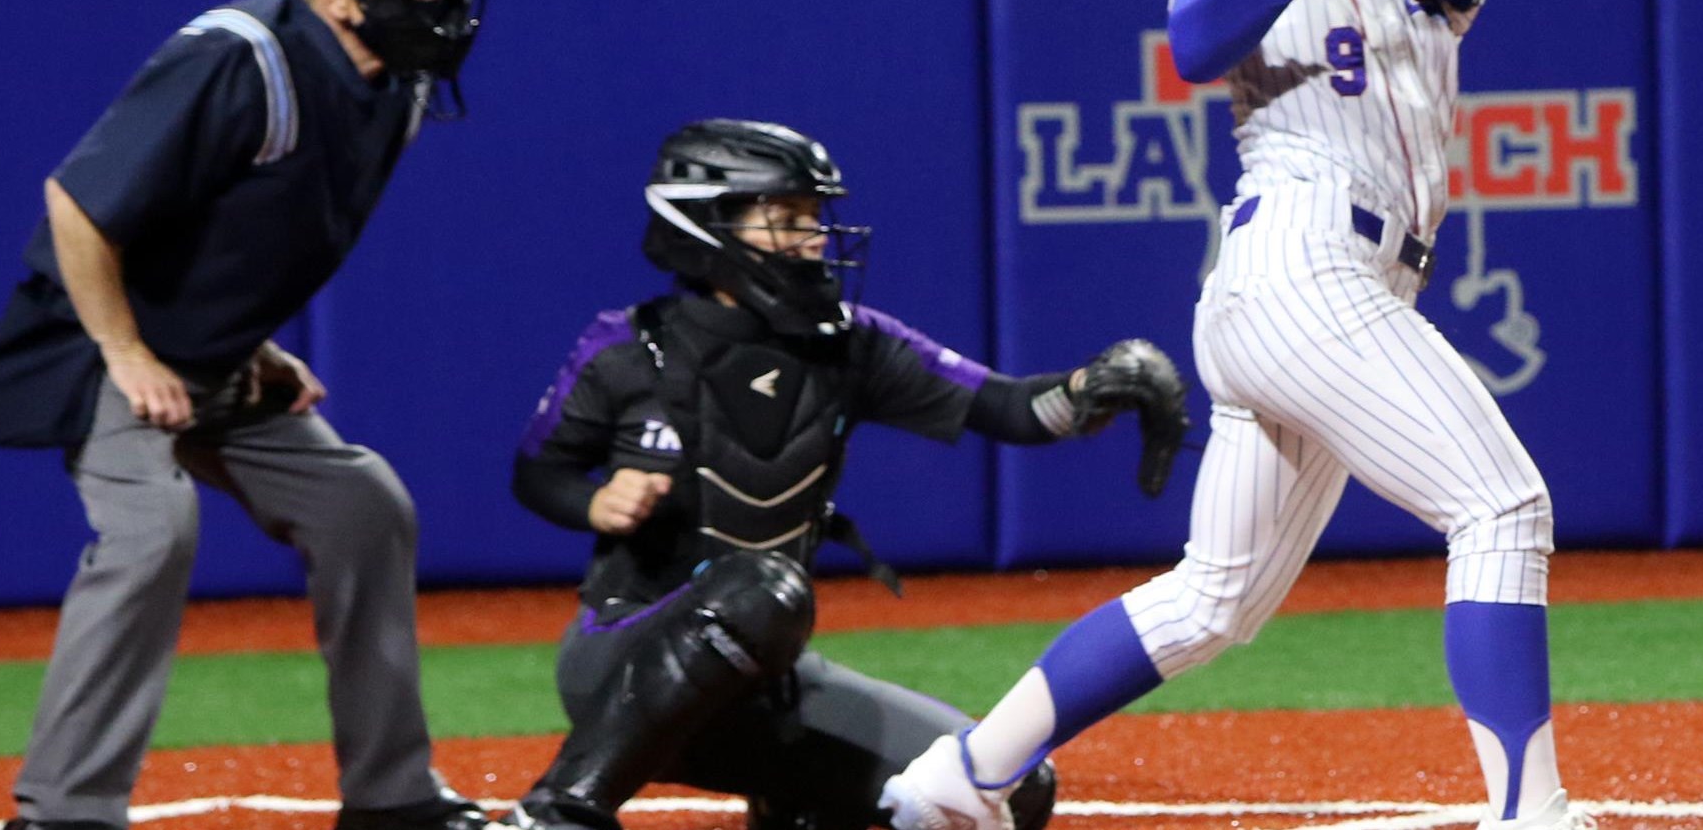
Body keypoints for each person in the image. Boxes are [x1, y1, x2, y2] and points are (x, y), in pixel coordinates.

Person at [878, 0, 1596, 830]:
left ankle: (962, 777)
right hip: (1298, 270)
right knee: (1500, 506)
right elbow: (1197, 49)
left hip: (1342, 290)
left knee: (1210, 601)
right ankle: (1530, 812)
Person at [0, 0, 494, 830]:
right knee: (151, 532)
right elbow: (76, 204)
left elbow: (262, 231)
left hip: (215, 360)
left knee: (363, 506)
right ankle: (64, 811)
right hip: (100, 348)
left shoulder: (400, 89)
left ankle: (393, 796)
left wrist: (253, 343)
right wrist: (125, 351)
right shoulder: (241, 56)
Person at [498, 119, 1190, 830]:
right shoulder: (627, 344)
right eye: (786, 217)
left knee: (1007, 788)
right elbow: (536, 471)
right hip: (619, 659)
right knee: (765, 590)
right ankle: (558, 811)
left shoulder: (851, 344)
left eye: (813, 216)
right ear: (710, 225)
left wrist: (1093, 387)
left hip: (766, 684)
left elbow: (1010, 408)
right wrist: (595, 505)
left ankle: (795, 800)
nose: (814, 237)